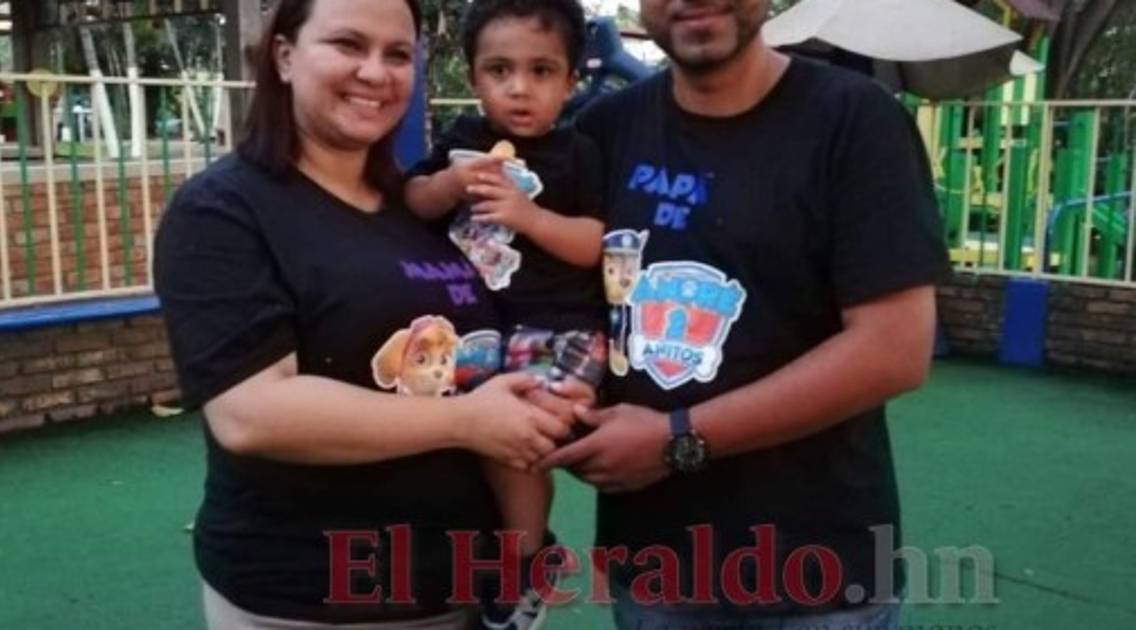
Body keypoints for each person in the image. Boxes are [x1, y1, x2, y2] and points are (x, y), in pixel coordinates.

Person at [153, 0, 587, 628]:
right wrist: (468, 421)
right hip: (315, 595)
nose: (376, 73)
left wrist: (546, 395)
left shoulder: (418, 206)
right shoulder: (224, 211)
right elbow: (252, 414)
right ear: (284, 56)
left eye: (398, 54)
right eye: (348, 45)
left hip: (461, 587)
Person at [543, 0, 951, 628]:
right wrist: (568, 394)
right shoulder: (605, 128)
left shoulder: (854, 119)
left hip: (815, 579)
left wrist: (677, 440)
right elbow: (571, 302)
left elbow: (893, 350)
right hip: (654, 568)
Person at [403, 2, 606, 628]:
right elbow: (414, 199)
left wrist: (529, 217)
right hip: (482, 327)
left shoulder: (578, 153)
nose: (519, 88)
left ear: (570, 82)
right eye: (499, 70)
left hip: (560, 328)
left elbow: (596, 243)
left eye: (541, 71)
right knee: (441, 428)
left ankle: (526, 558)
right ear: (473, 77)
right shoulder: (462, 142)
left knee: (510, 436)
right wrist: (449, 186)